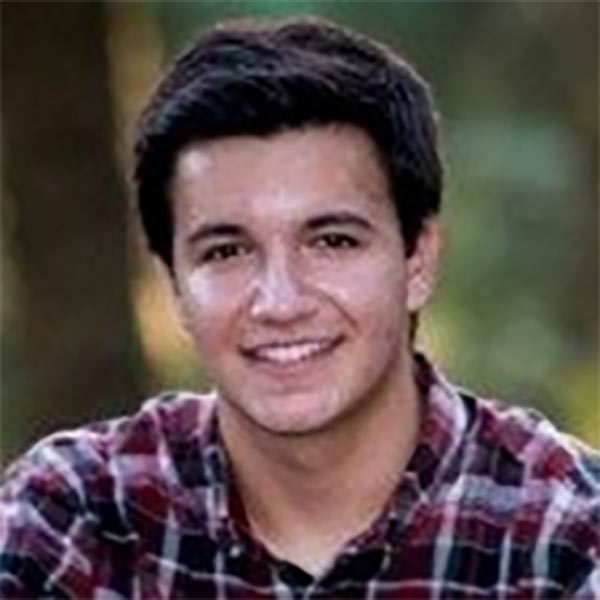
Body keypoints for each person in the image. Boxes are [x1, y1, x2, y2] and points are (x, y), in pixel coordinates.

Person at [1, 16, 598, 600]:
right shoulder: (74, 522)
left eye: (332, 241)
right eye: (227, 251)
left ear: (417, 258)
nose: (280, 303)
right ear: (174, 284)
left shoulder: (563, 536)